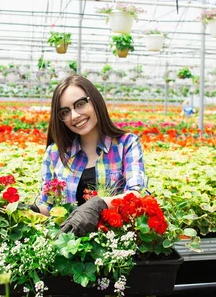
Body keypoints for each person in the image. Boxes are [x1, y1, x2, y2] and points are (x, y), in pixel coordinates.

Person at [32, 75, 148, 237]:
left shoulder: (126, 144)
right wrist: (31, 210)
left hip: (115, 243)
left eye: (80, 104)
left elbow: (137, 194)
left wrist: (100, 204)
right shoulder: (55, 153)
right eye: (65, 112)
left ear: (95, 101)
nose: (74, 116)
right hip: (68, 245)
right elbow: (49, 205)